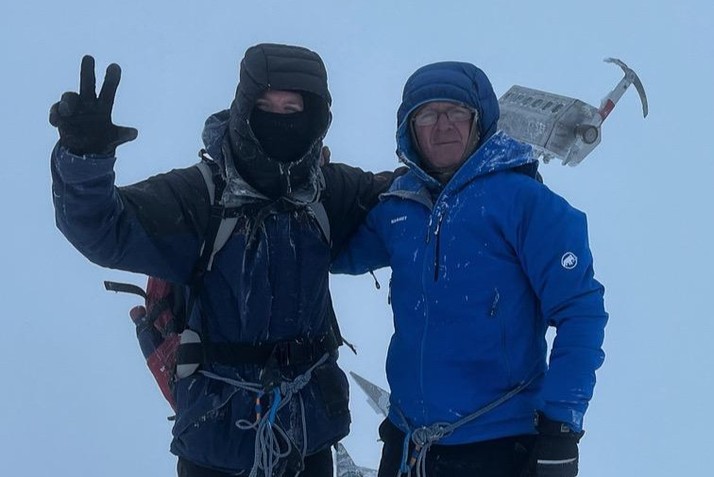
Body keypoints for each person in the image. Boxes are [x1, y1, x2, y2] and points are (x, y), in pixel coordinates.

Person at [49, 44, 399, 477]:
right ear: (242, 109)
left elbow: (401, 197)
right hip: (216, 446)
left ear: (316, 118)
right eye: (266, 106)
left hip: (308, 440)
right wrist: (85, 159)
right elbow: (103, 228)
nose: (280, 118)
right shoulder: (199, 196)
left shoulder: (327, 191)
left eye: (293, 108)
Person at [331, 61, 609, 477]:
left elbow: (580, 311)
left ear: (480, 122)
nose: (443, 126)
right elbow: (337, 253)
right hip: (407, 444)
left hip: (499, 448)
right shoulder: (400, 208)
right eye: (427, 115)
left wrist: (561, 428)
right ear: (409, 129)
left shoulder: (525, 203)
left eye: (456, 113)